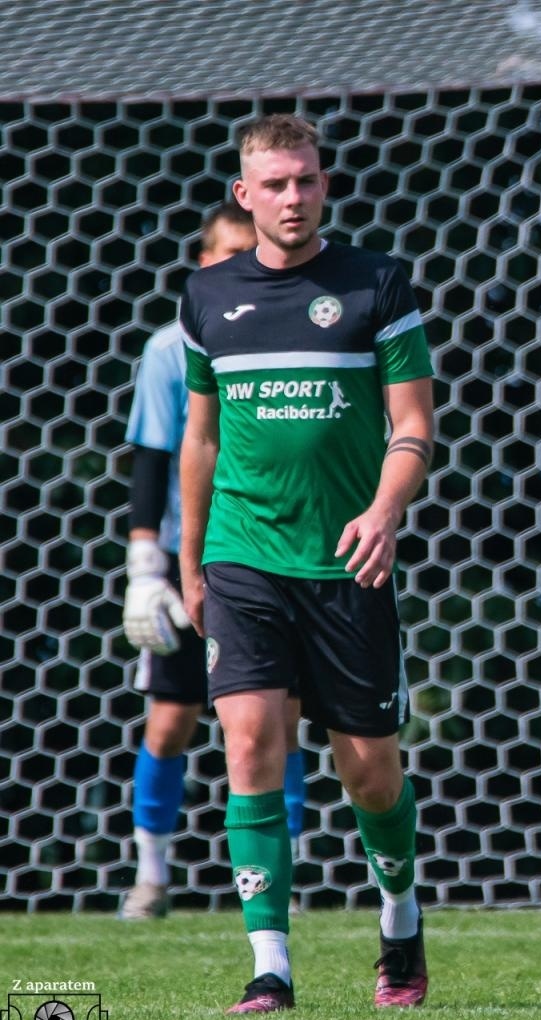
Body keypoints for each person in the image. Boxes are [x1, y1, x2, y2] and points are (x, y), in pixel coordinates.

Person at [178, 114, 435, 1014]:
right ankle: (270, 966)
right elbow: (201, 437)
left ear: (325, 184)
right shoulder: (207, 298)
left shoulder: (376, 285)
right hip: (244, 555)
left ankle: (399, 925)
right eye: (275, 184)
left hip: (347, 565)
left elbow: (412, 426)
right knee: (249, 742)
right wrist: (190, 556)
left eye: (307, 180)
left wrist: (383, 506)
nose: (294, 197)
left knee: (370, 772)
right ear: (243, 196)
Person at [120, 203, 308, 921]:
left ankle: (282, 869)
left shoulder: (292, 336)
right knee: (171, 717)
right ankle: (150, 875)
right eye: (224, 254)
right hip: (187, 549)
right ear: (202, 264)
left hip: (274, 547)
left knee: (279, 716)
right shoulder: (172, 348)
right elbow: (153, 458)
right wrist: (146, 567)